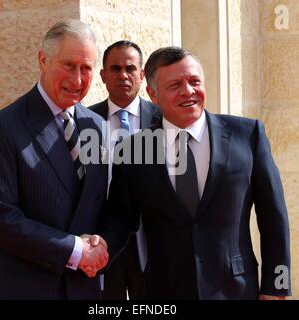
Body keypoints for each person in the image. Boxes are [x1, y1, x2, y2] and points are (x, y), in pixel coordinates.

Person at [95, 46, 291, 299]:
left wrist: (277, 286)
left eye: (194, 81)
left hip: (236, 290)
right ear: (153, 94)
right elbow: (121, 219)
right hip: (164, 292)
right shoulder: (133, 150)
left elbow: (274, 217)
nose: (188, 91)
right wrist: (96, 248)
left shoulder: (248, 135)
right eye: (175, 84)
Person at [0, 19, 109, 300]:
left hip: (83, 290)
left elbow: (102, 204)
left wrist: (99, 246)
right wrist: (74, 250)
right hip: (23, 289)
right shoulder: (3, 127)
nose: (78, 80)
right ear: (43, 60)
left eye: (86, 68)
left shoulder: (98, 126)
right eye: (68, 65)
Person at [89, 40, 161, 300]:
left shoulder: (164, 120)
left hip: (154, 237)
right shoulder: (84, 120)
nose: (123, 75)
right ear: (103, 76)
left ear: (142, 75)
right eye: (115, 68)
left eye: (130, 68)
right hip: (104, 234)